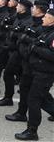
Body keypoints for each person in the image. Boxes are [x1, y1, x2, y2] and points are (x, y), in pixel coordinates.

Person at [14, 9, 54, 141]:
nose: (43, 19)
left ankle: (32, 131)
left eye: (47, 17)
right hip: (35, 70)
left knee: (34, 100)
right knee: (41, 99)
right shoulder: (46, 31)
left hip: (45, 73)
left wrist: (35, 48)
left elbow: (51, 55)